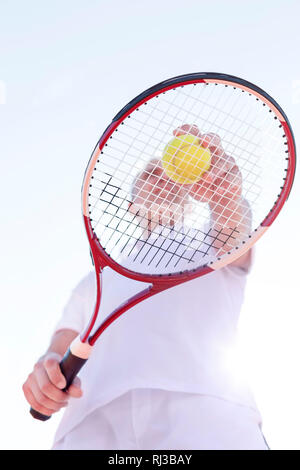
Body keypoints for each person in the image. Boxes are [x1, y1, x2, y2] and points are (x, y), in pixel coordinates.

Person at [23, 124, 269, 450]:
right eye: (150, 174)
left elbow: (231, 230)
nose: (160, 179)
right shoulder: (95, 280)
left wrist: (225, 197)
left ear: (187, 197)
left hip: (207, 414)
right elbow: (59, 346)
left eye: (167, 174)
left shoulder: (211, 247)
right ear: (131, 205)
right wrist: (47, 374)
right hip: (91, 427)